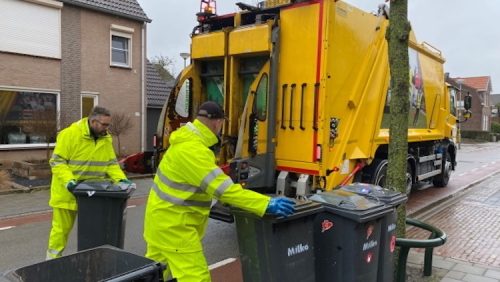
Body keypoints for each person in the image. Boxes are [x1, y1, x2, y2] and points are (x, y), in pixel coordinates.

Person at [143, 101, 296, 281]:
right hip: (175, 227)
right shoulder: (193, 151)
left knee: (154, 273)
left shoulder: (186, 142)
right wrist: (265, 203)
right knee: (196, 277)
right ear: (217, 123)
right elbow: (225, 191)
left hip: (161, 221)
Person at [46, 106, 131, 259]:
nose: (107, 128)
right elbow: (57, 162)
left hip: (93, 195)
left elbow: (111, 163)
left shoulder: (105, 138)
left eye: (108, 125)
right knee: (60, 231)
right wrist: (69, 181)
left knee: (92, 233)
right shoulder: (70, 134)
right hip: (68, 193)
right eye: (104, 125)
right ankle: (51, 261)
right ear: (93, 121)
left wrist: (121, 179)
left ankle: (91, 262)